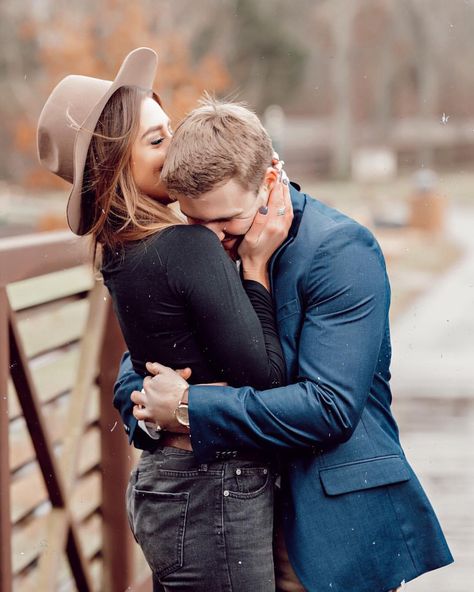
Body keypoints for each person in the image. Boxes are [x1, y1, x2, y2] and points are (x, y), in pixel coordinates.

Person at [115, 72, 454, 592]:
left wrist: (189, 408)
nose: (214, 242)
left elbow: (329, 406)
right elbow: (139, 369)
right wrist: (153, 410)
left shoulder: (340, 252)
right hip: (222, 515)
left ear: (270, 181)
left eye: (228, 222)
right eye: (196, 223)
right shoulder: (199, 246)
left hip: (325, 524)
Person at [36, 47, 295, 592]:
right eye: (156, 141)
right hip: (213, 489)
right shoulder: (186, 247)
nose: (176, 146)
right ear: (113, 168)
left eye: (169, 128)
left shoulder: (123, 253)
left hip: (172, 486)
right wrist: (254, 268)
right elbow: (268, 376)